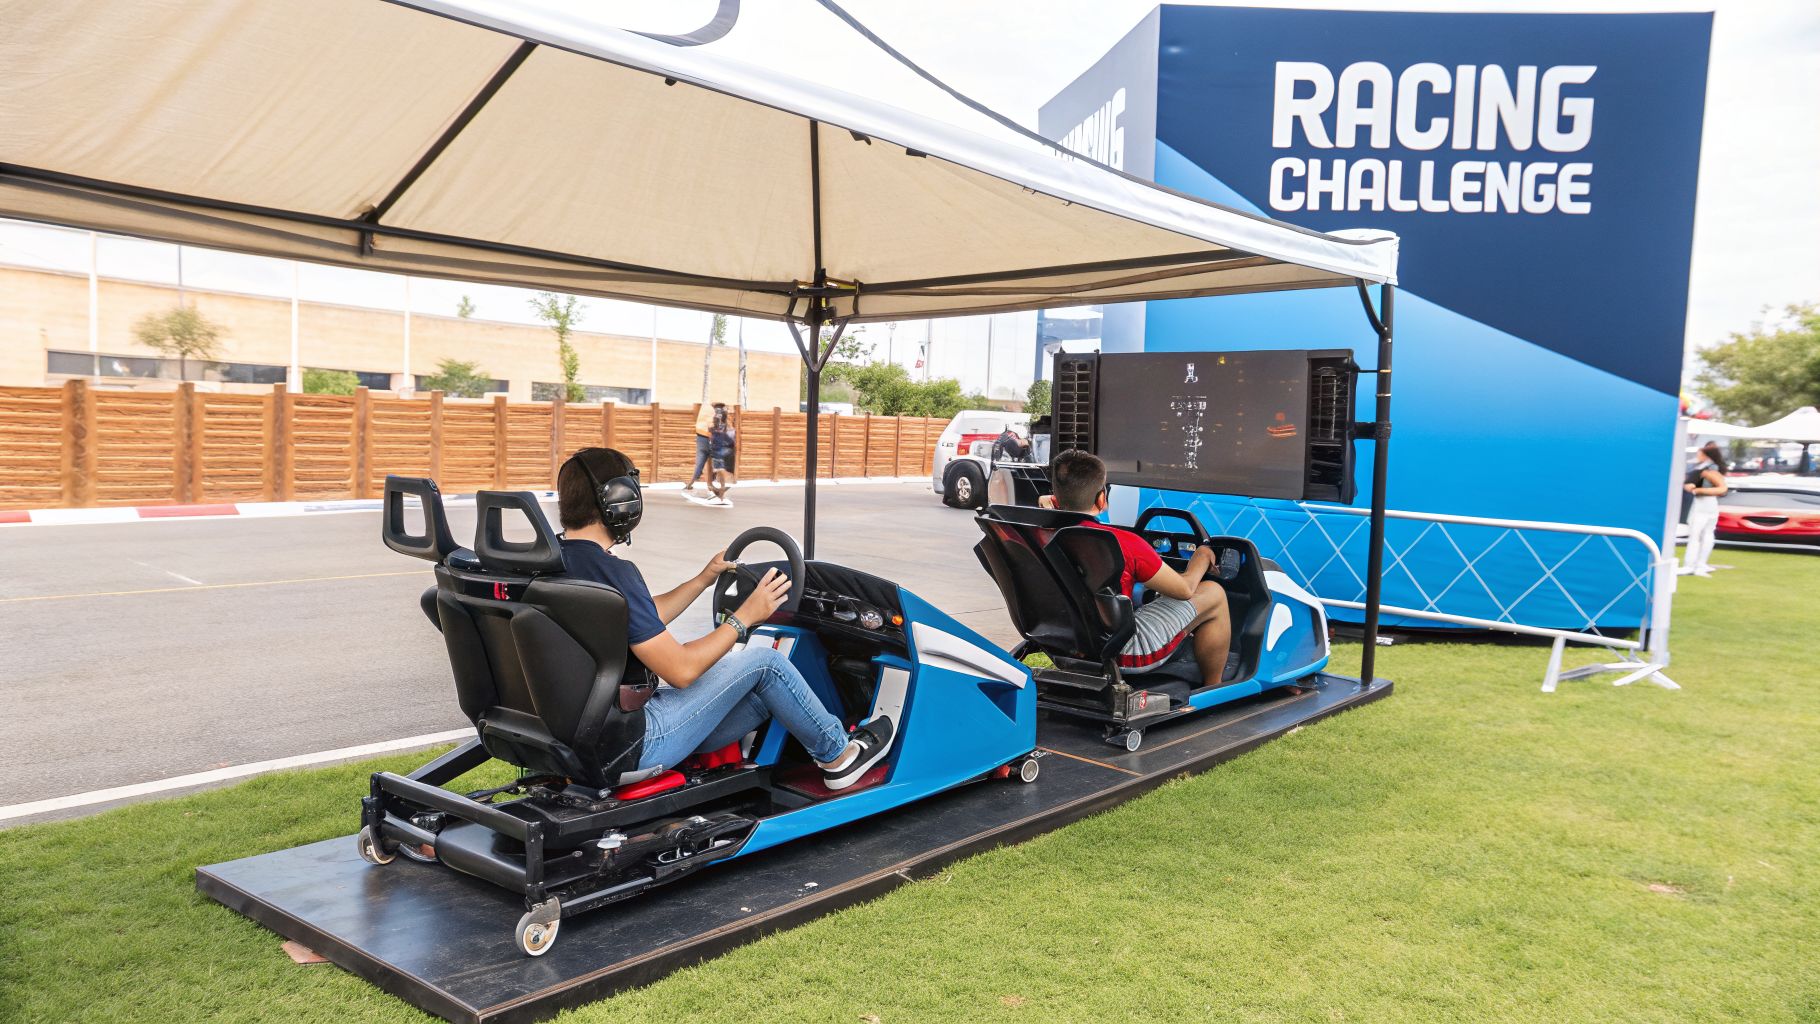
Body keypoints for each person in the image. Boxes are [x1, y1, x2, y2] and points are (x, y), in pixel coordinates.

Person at [556, 447, 892, 789]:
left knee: (764, 693)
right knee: (766, 664)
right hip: (634, 742)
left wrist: (703, 579)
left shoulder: (561, 563)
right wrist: (746, 617)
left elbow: (640, 616)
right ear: (621, 500)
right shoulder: (614, 572)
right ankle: (839, 756)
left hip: (579, 737)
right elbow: (681, 670)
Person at [1048, 450, 1232, 687]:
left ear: (1054, 499)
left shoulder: (1039, 536)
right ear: (1101, 499)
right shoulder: (1123, 542)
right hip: (1122, 650)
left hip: (1066, 644)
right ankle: (1213, 688)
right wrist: (1202, 556)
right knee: (1214, 593)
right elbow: (1185, 589)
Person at [1681, 441, 1729, 577]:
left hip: (1703, 503)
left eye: (1699, 453)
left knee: (1697, 534)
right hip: (1707, 503)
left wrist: (1697, 489)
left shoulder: (1708, 470)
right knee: (1706, 533)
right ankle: (1699, 564)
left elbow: (1722, 488)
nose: (1697, 455)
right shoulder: (1708, 468)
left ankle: (1691, 565)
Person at [707, 403, 737, 506]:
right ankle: (719, 492)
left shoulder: (717, 420)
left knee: (718, 470)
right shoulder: (724, 421)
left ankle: (719, 493)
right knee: (718, 471)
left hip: (718, 448)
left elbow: (715, 431)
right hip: (722, 448)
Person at [683, 403, 716, 493]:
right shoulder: (712, 411)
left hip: (700, 437)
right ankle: (711, 485)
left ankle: (691, 483)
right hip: (708, 438)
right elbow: (711, 426)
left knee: (700, 461)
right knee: (712, 462)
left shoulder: (704, 408)